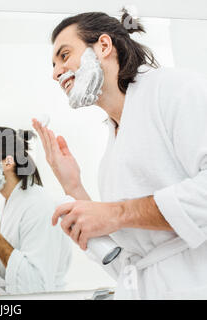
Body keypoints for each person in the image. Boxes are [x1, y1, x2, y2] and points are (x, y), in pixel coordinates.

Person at [33, 10, 207, 299]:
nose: (55, 73)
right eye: (53, 64)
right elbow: (128, 261)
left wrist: (116, 214)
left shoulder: (176, 90)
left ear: (103, 46)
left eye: (64, 56)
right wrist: (73, 186)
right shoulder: (114, 144)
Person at [0, 127, 72, 295]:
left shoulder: (38, 205)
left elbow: (36, 287)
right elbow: (23, 267)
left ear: (7, 162)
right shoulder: (13, 202)